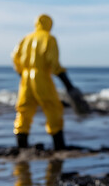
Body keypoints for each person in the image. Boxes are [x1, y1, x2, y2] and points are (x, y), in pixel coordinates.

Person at [12, 14, 78, 150]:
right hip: (41, 77)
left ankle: (21, 147)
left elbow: (15, 58)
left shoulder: (25, 38)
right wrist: (68, 85)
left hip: (25, 78)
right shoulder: (49, 38)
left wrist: (22, 73)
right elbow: (54, 64)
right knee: (52, 107)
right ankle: (59, 145)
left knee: (24, 110)